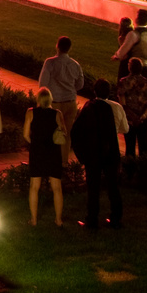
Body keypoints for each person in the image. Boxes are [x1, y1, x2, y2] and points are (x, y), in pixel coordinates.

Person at [71, 80, 127, 229]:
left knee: (93, 187)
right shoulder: (116, 107)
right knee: (113, 186)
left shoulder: (89, 107)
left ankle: (92, 220)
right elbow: (125, 128)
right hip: (111, 151)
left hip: (94, 152)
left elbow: (77, 130)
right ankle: (116, 218)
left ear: (95, 91)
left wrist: (82, 154)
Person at [38, 36, 85, 165]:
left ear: (57, 46)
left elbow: (43, 83)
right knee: (66, 134)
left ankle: (51, 160)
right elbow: (80, 85)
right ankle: (63, 162)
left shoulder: (50, 62)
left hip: (54, 103)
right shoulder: (75, 65)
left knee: (51, 132)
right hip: (70, 102)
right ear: (69, 48)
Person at [23, 88, 64, 227]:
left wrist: (34, 142)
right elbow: (62, 132)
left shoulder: (31, 113)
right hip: (53, 152)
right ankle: (58, 220)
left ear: (38, 99)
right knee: (57, 188)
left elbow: (25, 135)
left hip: (37, 152)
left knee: (34, 187)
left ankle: (33, 219)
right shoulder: (57, 114)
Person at [113, 57, 147, 158]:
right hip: (144, 119)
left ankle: (130, 168)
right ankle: (144, 168)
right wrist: (144, 115)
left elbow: (122, 101)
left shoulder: (124, 81)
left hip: (130, 119)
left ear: (130, 68)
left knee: (130, 145)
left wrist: (132, 116)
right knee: (144, 146)